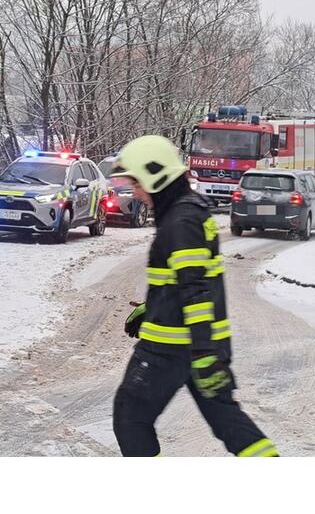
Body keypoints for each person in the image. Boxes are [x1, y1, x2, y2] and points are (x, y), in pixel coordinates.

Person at [111, 134, 277, 457]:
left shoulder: (181, 221)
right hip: (195, 346)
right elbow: (187, 281)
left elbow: (197, 293)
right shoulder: (185, 213)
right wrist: (154, 308)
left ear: (155, 175)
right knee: (228, 422)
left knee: (129, 417)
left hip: (172, 350)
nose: (135, 192)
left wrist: (204, 356)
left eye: (137, 183)